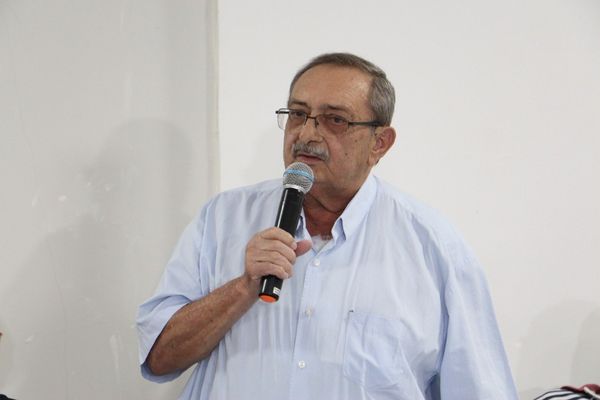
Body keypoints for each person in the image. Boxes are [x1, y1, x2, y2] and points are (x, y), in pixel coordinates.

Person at [136, 52, 518, 399]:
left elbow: (480, 390)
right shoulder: (222, 219)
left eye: (335, 120)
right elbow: (159, 358)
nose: (306, 134)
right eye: (297, 114)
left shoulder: (433, 247)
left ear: (380, 143)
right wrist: (243, 287)